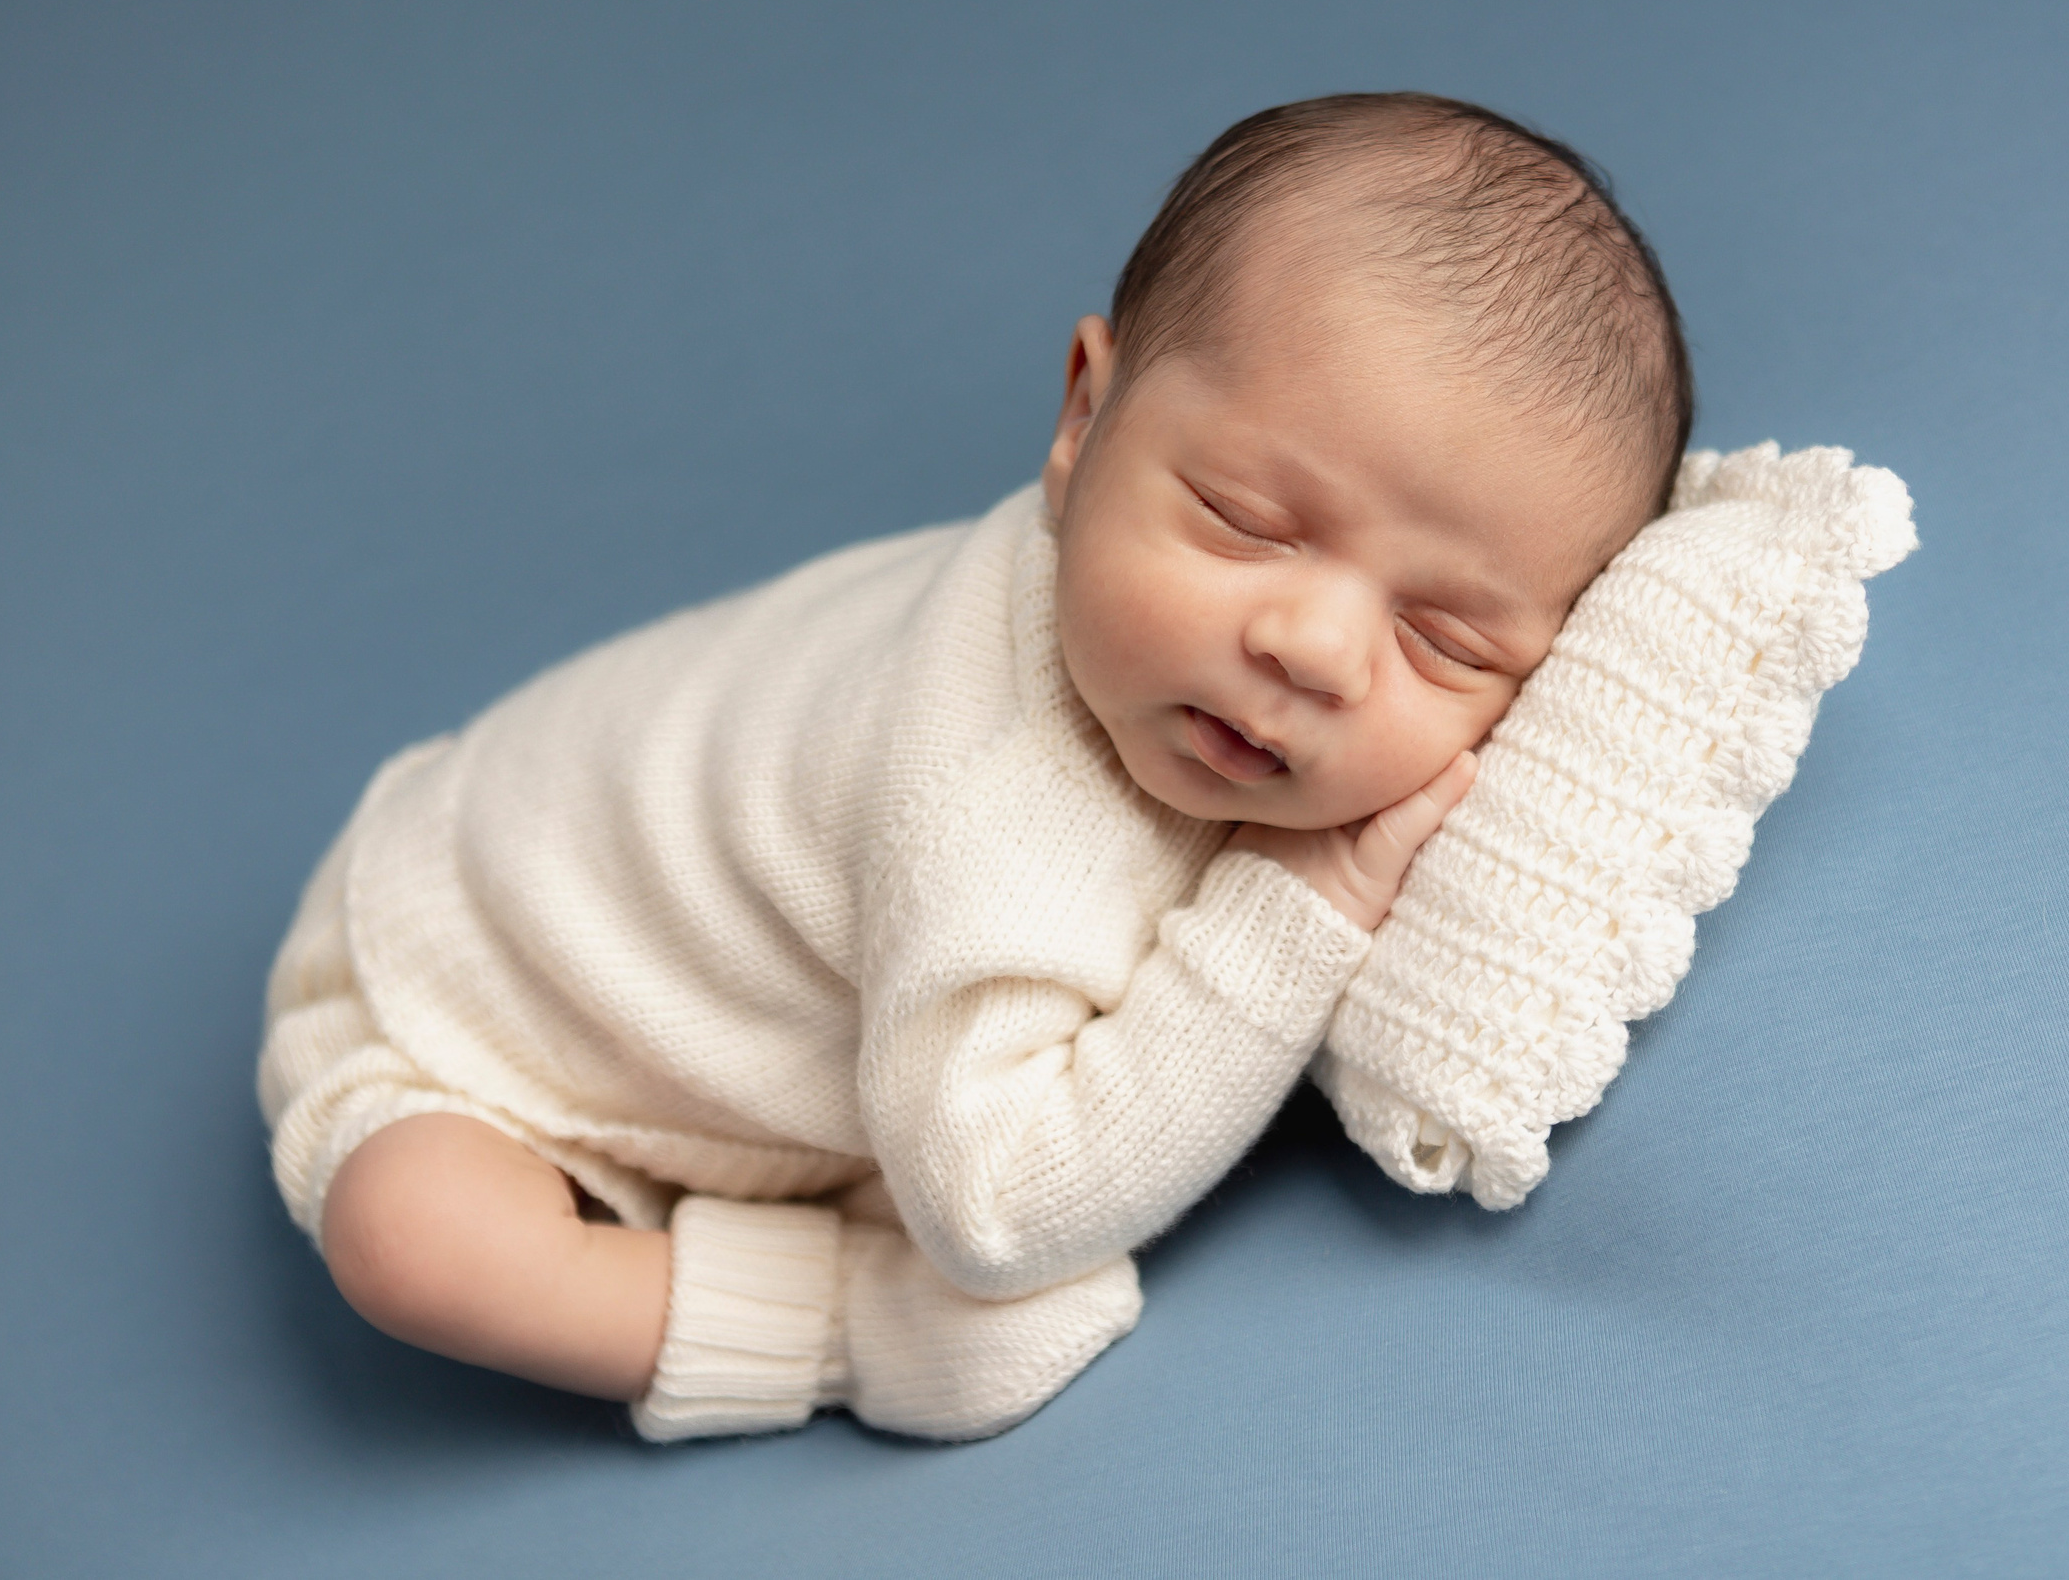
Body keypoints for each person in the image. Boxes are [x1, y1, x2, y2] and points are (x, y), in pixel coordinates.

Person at [257, 91, 1694, 1442]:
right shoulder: (996, 810)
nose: (1314, 649)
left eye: (1443, 639)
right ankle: (847, 1326)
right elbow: (1000, 1211)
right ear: (1084, 422)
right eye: (1246, 522)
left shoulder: (1139, 629)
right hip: (457, 983)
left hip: (639, 893)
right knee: (416, 1240)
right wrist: (1294, 909)